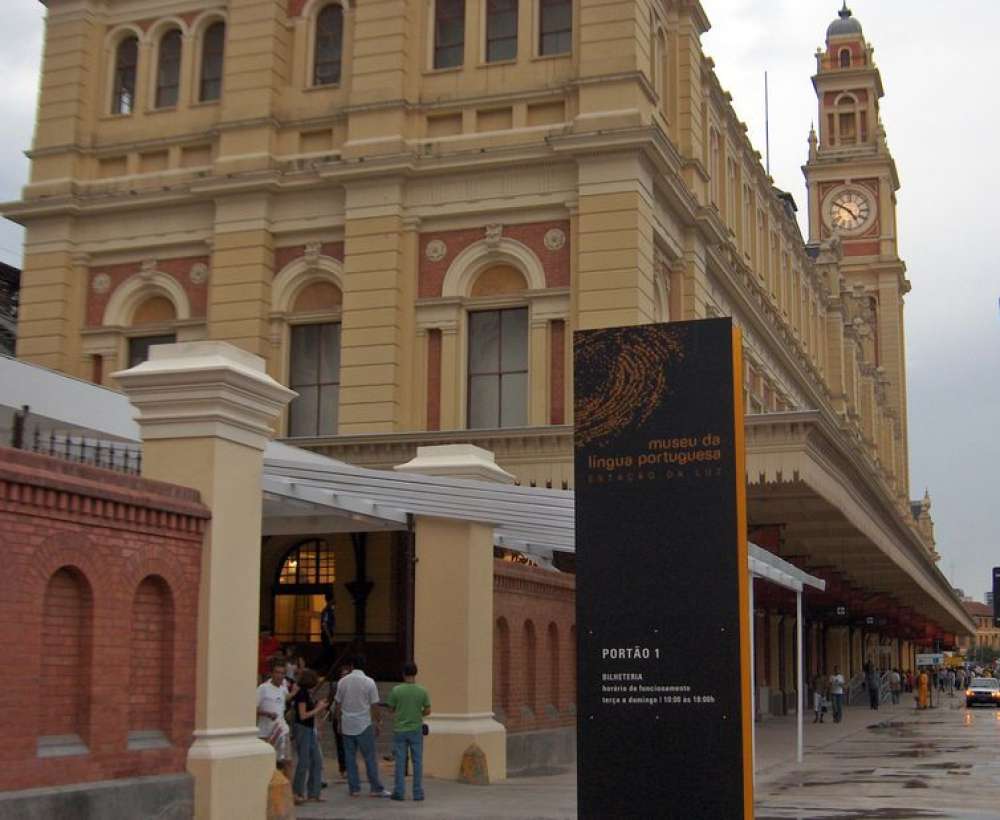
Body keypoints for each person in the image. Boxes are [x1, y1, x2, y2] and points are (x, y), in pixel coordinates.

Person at [334, 655, 391, 798]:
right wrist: (378, 722)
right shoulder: (369, 682)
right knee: (370, 757)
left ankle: (354, 788)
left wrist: (338, 721)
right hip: (364, 724)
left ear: (351, 666)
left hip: (347, 723)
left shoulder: (342, 682)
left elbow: (338, 704)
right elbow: (374, 705)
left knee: (350, 758)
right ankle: (375, 787)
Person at [386, 662, 432, 801]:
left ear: (403, 674)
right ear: (416, 673)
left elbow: (391, 709)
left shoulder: (396, 690)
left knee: (400, 761)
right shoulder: (422, 691)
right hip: (416, 729)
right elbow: (428, 710)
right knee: (417, 761)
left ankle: (399, 792)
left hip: (400, 729)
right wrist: (417, 714)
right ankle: (417, 793)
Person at [291, 669, 329, 805]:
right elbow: (303, 715)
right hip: (302, 729)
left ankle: (314, 792)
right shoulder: (302, 694)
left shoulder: (307, 693)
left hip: (309, 729)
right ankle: (297, 792)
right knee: (304, 761)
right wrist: (318, 708)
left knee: (317, 761)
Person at [257, 657, 293, 779]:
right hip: (266, 732)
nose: (280, 675)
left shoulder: (283, 689)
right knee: (267, 763)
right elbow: (252, 709)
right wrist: (266, 713)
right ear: (271, 673)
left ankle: (290, 794)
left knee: (287, 761)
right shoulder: (263, 688)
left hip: (282, 730)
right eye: (277, 672)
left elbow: (284, 706)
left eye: (282, 673)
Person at [318, 593, 336, 672]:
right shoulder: (327, 611)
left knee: (329, 653)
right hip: (327, 635)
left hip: (328, 634)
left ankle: (327, 670)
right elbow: (324, 625)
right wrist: (330, 637)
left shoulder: (330, 610)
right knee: (328, 653)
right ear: (331, 599)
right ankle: (321, 668)